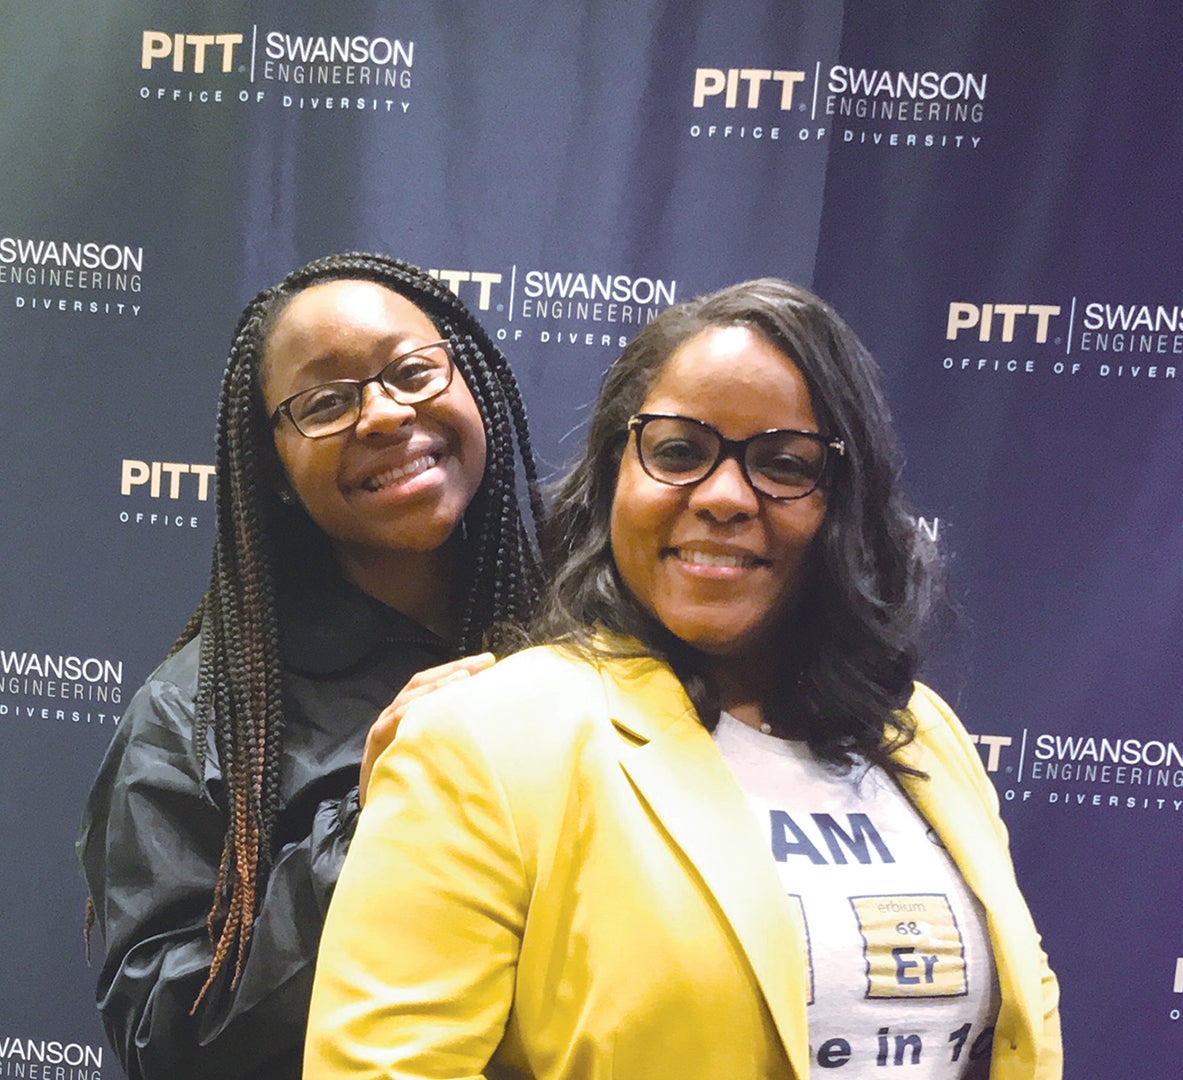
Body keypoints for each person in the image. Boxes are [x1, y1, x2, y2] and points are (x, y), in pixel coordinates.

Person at [304, 278, 1061, 1079]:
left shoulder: (921, 732)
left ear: (844, 501)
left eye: (782, 464)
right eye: (678, 452)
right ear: (611, 477)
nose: (724, 496)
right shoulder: (484, 741)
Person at [77, 251, 543, 1080]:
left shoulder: (588, 639)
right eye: (326, 401)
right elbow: (165, 1044)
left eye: (411, 371)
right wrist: (376, 817)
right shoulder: (197, 716)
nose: (385, 415)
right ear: (277, 469)